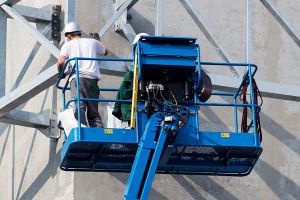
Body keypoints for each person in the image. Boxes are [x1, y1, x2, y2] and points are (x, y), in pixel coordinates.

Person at [57, 22, 108, 127]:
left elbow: (61, 62)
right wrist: (98, 41)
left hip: (77, 79)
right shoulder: (92, 42)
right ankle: (98, 134)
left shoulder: (67, 45)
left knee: (79, 107)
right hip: (92, 81)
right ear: (79, 32)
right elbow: (105, 51)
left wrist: (61, 73)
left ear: (69, 35)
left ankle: (81, 130)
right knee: (94, 111)